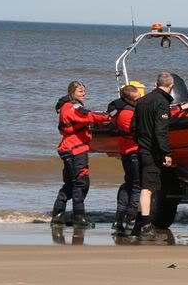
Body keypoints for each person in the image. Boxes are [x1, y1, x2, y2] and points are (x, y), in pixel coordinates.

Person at [51, 81, 109, 228]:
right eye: (80, 91)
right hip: (75, 149)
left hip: (71, 148)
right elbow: (87, 117)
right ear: (72, 93)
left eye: (84, 91)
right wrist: (108, 117)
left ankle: (58, 216)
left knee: (71, 184)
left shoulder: (68, 106)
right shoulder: (72, 106)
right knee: (80, 182)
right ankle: (78, 217)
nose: (83, 94)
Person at [131, 73, 176, 239]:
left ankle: (137, 224)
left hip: (142, 149)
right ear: (171, 86)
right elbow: (161, 131)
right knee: (148, 189)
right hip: (152, 151)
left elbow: (133, 128)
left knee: (145, 186)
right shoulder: (162, 103)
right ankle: (146, 226)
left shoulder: (142, 101)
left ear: (156, 83)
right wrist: (166, 153)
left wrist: (141, 142)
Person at [107, 84, 142, 234]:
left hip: (125, 151)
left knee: (128, 184)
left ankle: (119, 218)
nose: (138, 101)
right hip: (133, 151)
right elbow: (138, 131)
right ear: (127, 99)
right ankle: (131, 218)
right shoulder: (128, 114)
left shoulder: (117, 111)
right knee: (136, 186)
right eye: (135, 100)